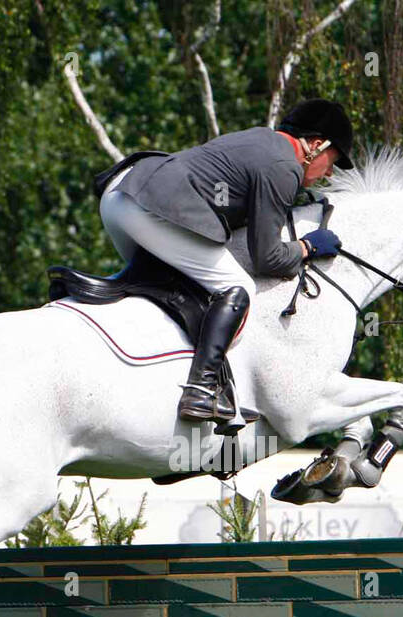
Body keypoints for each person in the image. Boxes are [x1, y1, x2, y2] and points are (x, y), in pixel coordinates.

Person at [93, 98, 354, 425]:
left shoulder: (262, 140)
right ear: (317, 145)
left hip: (122, 195)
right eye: (332, 161)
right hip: (146, 206)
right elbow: (268, 258)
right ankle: (200, 391)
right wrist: (306, 247)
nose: (329, 173)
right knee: (237, 286)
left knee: (183, 290)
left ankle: (191, 385)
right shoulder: (284, 166)